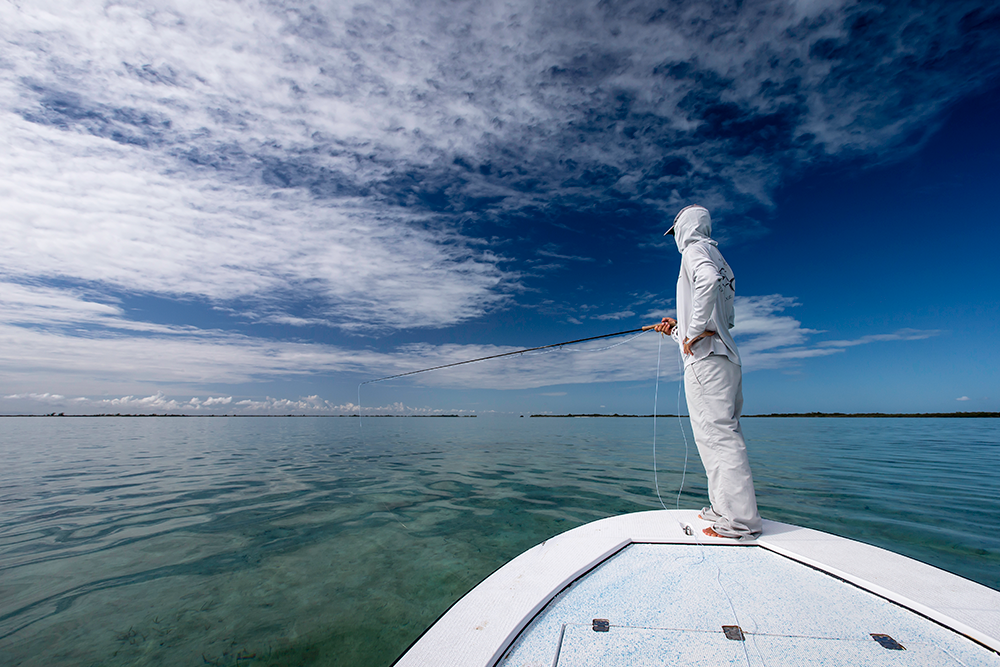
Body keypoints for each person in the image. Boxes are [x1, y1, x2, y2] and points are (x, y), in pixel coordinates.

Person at [653, 205, 762, 539]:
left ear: (684, 228)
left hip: (707, 363)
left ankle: (741, 522)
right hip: (725, 359)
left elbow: (707, 286)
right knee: (718, 437)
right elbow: (723, 321)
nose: (675, 240)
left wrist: (691, 330)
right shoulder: (722, 262)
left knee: (718, 438)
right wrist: (678, 330)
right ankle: (723, 508)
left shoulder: (694, 251)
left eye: (675, 232)